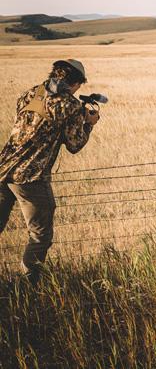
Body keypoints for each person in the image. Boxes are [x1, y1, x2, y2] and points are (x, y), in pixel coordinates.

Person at [0, 59, 100, 282]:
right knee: (40, 235)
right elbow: (74, 144)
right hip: (30, 176)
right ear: (75, 83)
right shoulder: (70, 105)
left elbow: (39, 122)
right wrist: (88, 123)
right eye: (78, 87)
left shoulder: (30, 93)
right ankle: (29, 285)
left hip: (3, 168)